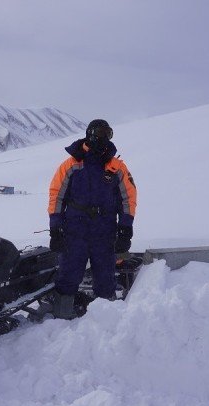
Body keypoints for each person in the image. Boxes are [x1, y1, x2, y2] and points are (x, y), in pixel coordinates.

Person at [47, 119, 137, 318]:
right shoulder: (71, 165)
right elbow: (56, 195)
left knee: (105, 278)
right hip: (74, 230)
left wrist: (125, 229)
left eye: (108, 133)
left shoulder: (116, 167)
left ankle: (104, 323)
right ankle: (60, 321)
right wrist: (55, 228)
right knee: (68, 275)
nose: (103, 137)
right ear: (89, 133)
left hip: (104, 232)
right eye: (100, 132)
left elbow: (128, 199)